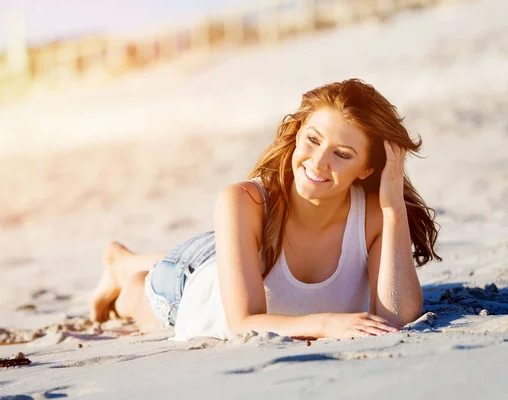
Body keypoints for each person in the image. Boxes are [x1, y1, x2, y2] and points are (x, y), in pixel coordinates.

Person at [89, 78, 441, 341]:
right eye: (313, 140)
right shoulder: (242, 201)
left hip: (255, 246)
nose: (318, 162)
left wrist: (394, 206)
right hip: (188, 282)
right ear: (299, 132)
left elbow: (398, 316)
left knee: (234, 248)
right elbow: (243, 323)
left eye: (343, 154)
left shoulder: (375, 219)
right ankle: (121, 267)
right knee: (140, 298)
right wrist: (326, 323)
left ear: (367, 169)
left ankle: (126, 261)